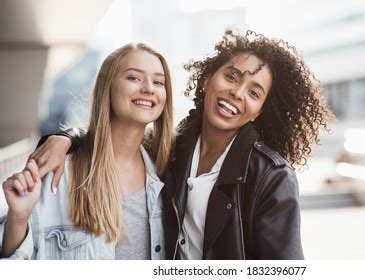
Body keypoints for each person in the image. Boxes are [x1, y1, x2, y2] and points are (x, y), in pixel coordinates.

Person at [23, 30, 332, 259]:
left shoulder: (271, 175)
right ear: (209, 77)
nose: (238, 93)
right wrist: (65, 138)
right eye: (232, 76)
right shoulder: (173, 148)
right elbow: (118, 138)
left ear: (260, 110)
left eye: (254, 93)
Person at [0, 42, 174, 259]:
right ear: (107, 87)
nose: (149, 88)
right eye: (134, 78)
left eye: (159, 82)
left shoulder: (167, 172)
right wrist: (19, 216)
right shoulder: (60, 173)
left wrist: (67, 137)